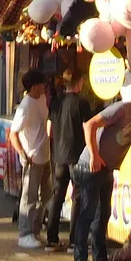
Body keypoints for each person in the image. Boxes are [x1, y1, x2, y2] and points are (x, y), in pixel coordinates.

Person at [70, 78, 131, 261]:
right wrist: (94, 155)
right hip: (90, 166)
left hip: (106, 169)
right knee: (87, 215)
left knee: (101, 216)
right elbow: (90, 125)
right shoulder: (123, 108)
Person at [46, 71, 92, 250]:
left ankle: (51, 238)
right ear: (79, 82)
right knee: (78, 198)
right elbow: (88, 128)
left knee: (57, 196)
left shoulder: (56, 103)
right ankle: (75, 239)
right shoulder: (82, 103)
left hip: (59, 155)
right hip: (77, 155)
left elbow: (49, 130)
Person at [10, 69, 51, 250]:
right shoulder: (25, 107)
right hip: (32, 157)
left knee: (46, 194)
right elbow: (13, 133)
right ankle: (24, 233)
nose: (45, 86)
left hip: (45, 155)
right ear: (34, 86)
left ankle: (35, 230)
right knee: (29, 197)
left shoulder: (41, 99)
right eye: (42, 84)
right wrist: (23, 154)